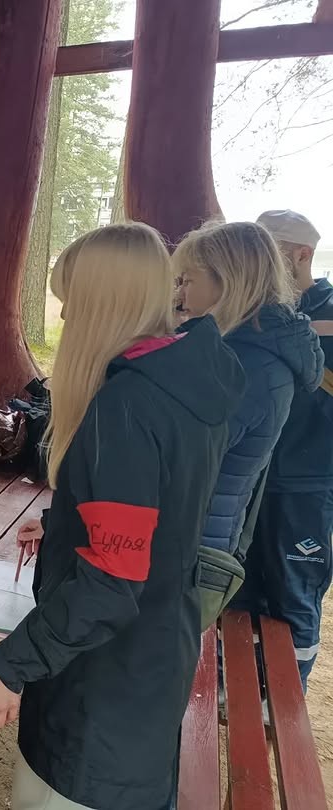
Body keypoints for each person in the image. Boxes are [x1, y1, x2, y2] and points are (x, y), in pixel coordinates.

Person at [0, 223, 245, 810]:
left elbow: (110, 585)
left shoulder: (128, 406)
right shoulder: (192, 375)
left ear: (100, 306)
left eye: (69, 303)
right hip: (155, 648)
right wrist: (69, 524)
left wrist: (9, 668)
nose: (63, 320)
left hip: (105, 684)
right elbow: (161, 503)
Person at [174, 221, 321, 562]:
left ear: (226, 280)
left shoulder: (246, 365)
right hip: (195, 535)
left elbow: (178, 455)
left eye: (188, 280)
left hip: (192, 547)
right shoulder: (248, 349)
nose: (180, 294)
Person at [235, 210, 332, 685]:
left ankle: (283, 698)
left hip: (309, 485)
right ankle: (234, 681)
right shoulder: (257, 312)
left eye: (269, 255)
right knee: (240, 585)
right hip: (253, 476)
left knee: (294, 592)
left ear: (301, 255)